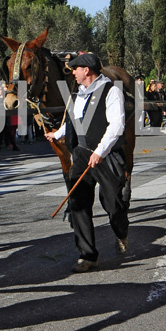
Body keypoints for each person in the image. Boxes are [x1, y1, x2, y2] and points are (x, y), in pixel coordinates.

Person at [46, 53, 128, 273]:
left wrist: (100, 151)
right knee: (78, 203)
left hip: (106, 155)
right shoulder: (77, 94)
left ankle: (121, 232)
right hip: (82, 155)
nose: (73, 72)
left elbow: (116, 126)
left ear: (87, 70)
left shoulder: (111, 91)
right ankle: (88, 255)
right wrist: (57, 134)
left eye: (76, 68)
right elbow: (75, 121)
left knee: (112, 203)